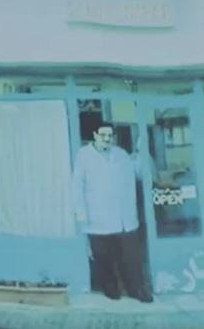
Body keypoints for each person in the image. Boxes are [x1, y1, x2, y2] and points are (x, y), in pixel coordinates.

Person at [71, 120, 153, 302]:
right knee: (104, 258)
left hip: (124, 218)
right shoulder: (84, 156)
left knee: (130, 258)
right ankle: (110, 288)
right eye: (103, 135)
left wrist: (142, 153)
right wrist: (80, 212)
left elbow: (139, 173)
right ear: (95, 136)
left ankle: (137, 290)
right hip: (97, 217)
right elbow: (77, 185)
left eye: (110, 135)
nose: (107, 138)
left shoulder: (121, 154)